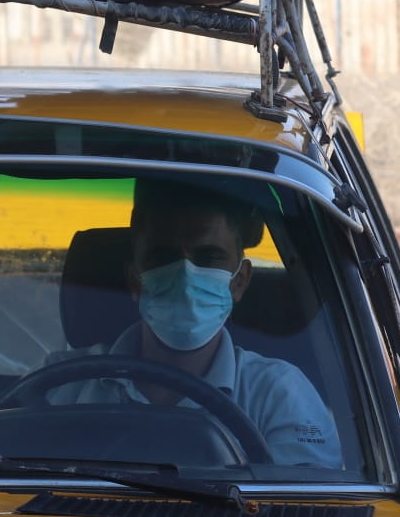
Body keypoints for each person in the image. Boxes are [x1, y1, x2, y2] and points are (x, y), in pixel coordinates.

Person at [39, 178, 341, 467]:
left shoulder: (278, 396)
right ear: (135, 281)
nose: (184, 275)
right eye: (163, 256)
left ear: (239, 282)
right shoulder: (61, 386)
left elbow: (307, 512)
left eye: (208, 256)